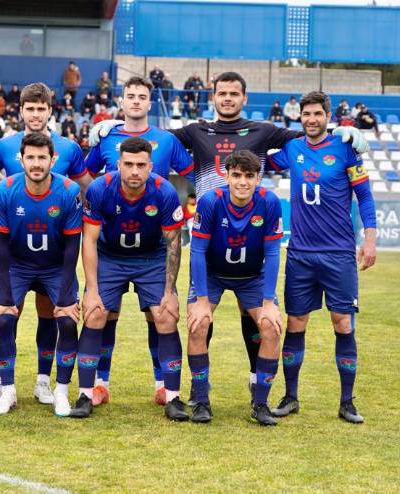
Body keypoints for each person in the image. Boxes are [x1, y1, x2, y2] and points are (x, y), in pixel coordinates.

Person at [89, 71, 369, 403]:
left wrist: (342, 132)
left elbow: (309, 134)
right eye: (222, 93)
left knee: (250, 312)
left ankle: (255, 377)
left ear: (244, 98)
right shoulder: (196, 131)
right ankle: (198, 389)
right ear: (213, 97)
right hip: (210, 237)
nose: (227, 98)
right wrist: (113, 128)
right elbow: (154, 138)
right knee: (200, 315)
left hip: (250, 236)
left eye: (234, 93)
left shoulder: (263, 131)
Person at [267, 91, 377, 424]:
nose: (311, 119)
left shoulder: (345, 149)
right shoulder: (292, 149)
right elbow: (259, 161)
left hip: (338, 254)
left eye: (317, 114)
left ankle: (347, 402)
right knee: (296, 324)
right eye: (306, 114)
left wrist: (370, 240)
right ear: (299, 117)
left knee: (342, 323)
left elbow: (365, 197)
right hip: (300, 253)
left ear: (328, 116)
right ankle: (290, 397)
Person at [84, 76, 194, 406]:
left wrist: (192, 211)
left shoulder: (167, 140)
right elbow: (86, 176)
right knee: (105, 313)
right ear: (121, 101)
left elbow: (190, 175)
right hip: (111, 243)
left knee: (158, 314)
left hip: (152, 243)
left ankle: (164, 385)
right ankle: (98, 384)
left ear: (150, 102)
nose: (135, 101)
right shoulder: (106, 136)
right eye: (129, 95)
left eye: (141, 96)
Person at [0, 82, 91, 405]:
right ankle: (2, 381)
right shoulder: (4, 146)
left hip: (54, 249)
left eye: (41, 108)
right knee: (7, 313)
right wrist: (1, 198)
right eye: (30, 108)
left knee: (51, 313)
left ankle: (44, 382)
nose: (35, 114)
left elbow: (87, 186)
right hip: (17, 248)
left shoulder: (69, 149)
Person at [70, 137, 186, 421]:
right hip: (110, 257)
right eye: (129, 164)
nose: (135, 171)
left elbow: (173, 243)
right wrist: (92, 290)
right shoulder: (100, 189)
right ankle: (87, 393)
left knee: (165, 315)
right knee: (96, 313)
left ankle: (171, 395)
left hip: (151, 258)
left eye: (141, 165)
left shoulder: (165, 191)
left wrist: (170, 292)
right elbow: (89, 240)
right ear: (119, 165)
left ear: (151, 167)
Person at [187, 150, 283, 425]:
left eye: (249, 176)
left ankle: (260, 403)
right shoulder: (210, 201)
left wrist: (268, 303)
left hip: (252, 276)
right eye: (237, 175)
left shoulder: (269, 202)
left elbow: (273, 253)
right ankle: (201, 400)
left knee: (271, 327)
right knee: (198, 324)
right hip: (212, 274)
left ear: (258, 179)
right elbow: (197, 250)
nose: (242, 182)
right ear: (226, 176)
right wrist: (202, 300)